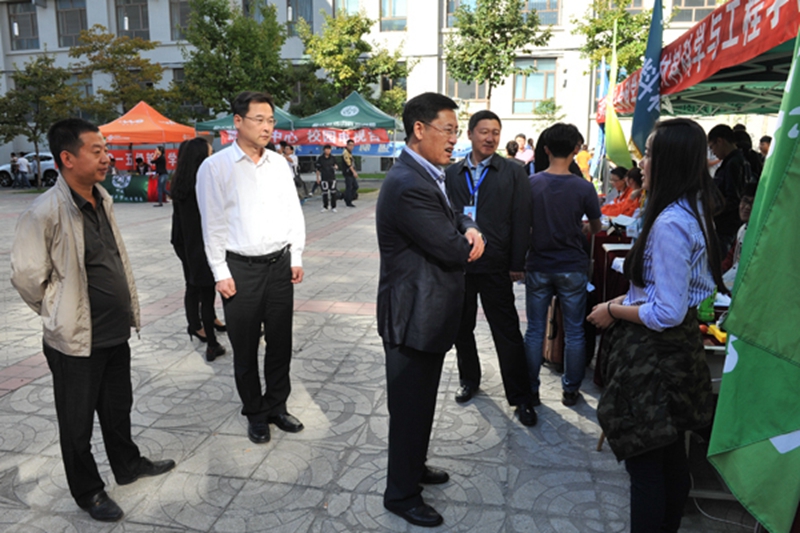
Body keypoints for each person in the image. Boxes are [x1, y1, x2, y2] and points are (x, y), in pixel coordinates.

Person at [10, 118, 175, 522]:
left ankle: (128, 464)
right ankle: (89, 491)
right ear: (68, 158)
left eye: (106, 149)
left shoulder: (102, 198)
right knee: (77, 421)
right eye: (96, 151)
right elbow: (27, 277)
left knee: (118, 408)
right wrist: (57, 310)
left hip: (114, 333)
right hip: (74, 339)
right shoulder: (43, 212)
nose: (106, 158)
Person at [588, 118, 727, 533]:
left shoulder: (669, 224)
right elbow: (666, 294)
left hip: (655, 357)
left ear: (668, 161)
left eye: (648, 154)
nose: (641, 163)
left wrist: (613, 310)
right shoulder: (690, 211)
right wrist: (618, 302)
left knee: (648, 465)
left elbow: (665, 311)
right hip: (676, 351)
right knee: (669, 457)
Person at [376, 92, 485, 528]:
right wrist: (468, 239)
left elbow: (456, 216)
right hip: (412, 317)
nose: (455, 139)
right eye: (449, 130)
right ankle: (401, 494)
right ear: (419, 129)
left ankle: (413, 467)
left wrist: (470, 226)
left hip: (428, 313)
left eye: (457, 131)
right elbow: (450, 246)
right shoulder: (407, 183)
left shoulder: (426, 172)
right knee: (409, 411)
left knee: (419, 406)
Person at [196, 91, 306, 445]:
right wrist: (220, 271)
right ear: (238, 121)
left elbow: (293, 211)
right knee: (244, 348)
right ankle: (255, 413)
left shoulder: (279, 164)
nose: (266, 127)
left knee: (280, 342)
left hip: (279, 265)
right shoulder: (215, 167)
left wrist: (296, 255)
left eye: (271, 120)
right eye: (259, 119)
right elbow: (212, 223)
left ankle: (277, 405)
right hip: (240, 269)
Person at [444, 110, 537, 426]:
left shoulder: (513, 171)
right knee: (462, 328)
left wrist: (517, 262)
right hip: (461, 264)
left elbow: (522, 219)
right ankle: (469, 379)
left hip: (496, 264)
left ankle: (521, 397)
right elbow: (446, 216)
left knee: (506, 331)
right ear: (470, 134)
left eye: (495, 132)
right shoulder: (452, 173)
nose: (490, 137)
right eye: (484, 131)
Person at [524, 123, 602, 407]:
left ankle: (531, 389)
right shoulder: (584, 187)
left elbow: (524, 225)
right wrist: (583, 228)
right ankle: (570, 389)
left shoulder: (531, 184)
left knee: (534, 330)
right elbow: (596, 226)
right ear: (576, 150)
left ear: (546, 149)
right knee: (575, 331)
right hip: (572, 265)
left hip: (538, 264)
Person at [171, 138, 226, 362]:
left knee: (194, 286)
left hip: (184, 243)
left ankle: (200, 323)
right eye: (210, 153)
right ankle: (210, 341)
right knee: (205, 291)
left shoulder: (180, 181)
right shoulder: (201, 183)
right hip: (200, 245)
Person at [708, 124, 750, 255]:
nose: (713, 153)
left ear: (720, 141)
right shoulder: (737, 161)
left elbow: (733, 198)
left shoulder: (734, 164)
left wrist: (712, 209)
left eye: (712, 147)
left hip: (727, 227)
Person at [721, 182, 757, 290]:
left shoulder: (760, 236)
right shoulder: (742, 230)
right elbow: (730, 259)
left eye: (753, 203)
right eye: (745, 201)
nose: (747, 207)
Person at [315, 144, 339, 212]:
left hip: (332, 177)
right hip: (324, 177)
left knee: (333, 192)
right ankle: (325, 206)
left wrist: (336, 167)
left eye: (329, 149)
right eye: (326, 149)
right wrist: (317, 178)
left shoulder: (333, 158)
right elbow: (318, 169)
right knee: (325, 193)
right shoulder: (320, 158)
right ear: (324, 150)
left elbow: (336, 166)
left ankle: (333, 207)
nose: (328, 151)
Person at [342, 139, 359, 207]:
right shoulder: (345, 152)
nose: (351, 147)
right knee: (349, 187)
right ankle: (348, 201)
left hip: (351, 173)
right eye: (350, 145)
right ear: (347, 145)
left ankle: (346, 197)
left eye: (352, 145)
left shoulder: (349, 152)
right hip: (348, 173)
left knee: (355, 186)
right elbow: (348, 164)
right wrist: (354, 172)